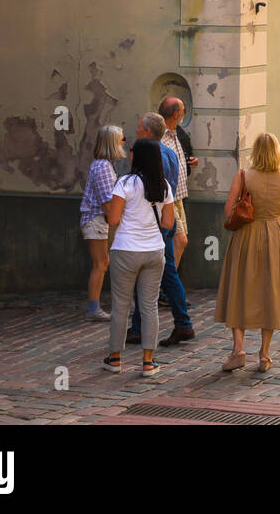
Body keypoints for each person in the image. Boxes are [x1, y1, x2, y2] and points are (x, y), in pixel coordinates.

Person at [216, 132, 280, 373]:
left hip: (247, 236)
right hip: (276, 235)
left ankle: (238, 349)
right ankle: (264, 353)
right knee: (270, 292)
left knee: (240, 288)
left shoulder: (244, 175)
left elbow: (228, 209)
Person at [102, 138, 175, 378]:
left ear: (138, 156)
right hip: (154, 251)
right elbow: (168, 223)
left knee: (121, 305)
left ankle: (115, 358)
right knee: (149, 306)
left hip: (125, 250)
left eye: (132, 151)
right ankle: (148, 361)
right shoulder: (163, 185)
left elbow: (113, 219)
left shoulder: (126, 182)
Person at [127, 112, 194, 347]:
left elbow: (152, 192)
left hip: (155, 222)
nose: (135, 132)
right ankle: (139, 327)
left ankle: (183, 324)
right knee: (155, 272)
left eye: (138, 129)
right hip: (165, 218)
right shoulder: (169, 152)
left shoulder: (153, 155)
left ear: (147, 132)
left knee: (164, 273)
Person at [79, 125, 125, 321]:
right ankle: (93, 309)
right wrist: (118, 222)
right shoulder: (103, 167)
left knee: (102, 263)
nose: (124, 143)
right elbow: (107, 203)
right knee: (100, 264)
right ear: (113, 143)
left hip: (98, 219)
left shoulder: (103, 164)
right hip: (97, 220)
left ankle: (95, 307)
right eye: (121, 139)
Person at [159, 97, 194, 269]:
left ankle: (165, 285)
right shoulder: (160, 136)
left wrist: (188, 163)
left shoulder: (176, 133)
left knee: (178, 241)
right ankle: (166, 285)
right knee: (180, 240)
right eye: (182, 110)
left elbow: (175, 161)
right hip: (167, 198)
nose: (184, 114)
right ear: (175, 114)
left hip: (178, 196)